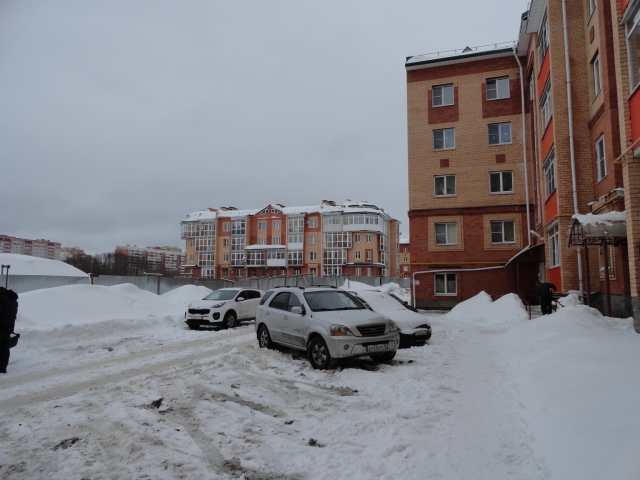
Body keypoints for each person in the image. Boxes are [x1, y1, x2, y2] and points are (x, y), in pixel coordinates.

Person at [0, 286, 19, 373]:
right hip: (9, 327)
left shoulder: (2, 299)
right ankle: (3, 368)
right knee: (4, 347)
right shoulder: (14, 301)